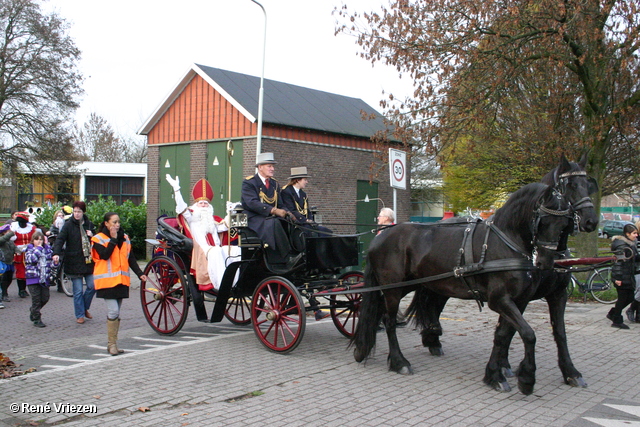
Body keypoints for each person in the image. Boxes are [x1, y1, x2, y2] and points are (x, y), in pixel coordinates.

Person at [165, 175, 240, 291]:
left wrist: (231, 212)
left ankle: (234, 281)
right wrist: (177, 189)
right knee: (216, 252)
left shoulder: (212, 219)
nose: (204, 206)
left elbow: (225, 227)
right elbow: (181, 207)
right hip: (201, 250)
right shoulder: (191, 217)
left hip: (215, 248)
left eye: (206, 203)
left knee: (234, 250)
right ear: (196, 205)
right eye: (201, 203)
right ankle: (219, 283)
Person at [91, 212, 147, 355]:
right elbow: (104, 255)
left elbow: (131, 258)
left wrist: (140, 274)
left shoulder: (125, 238)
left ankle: (113, 344)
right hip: (107, 282)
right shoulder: (98, 239)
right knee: (113, 311)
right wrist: (113, 240)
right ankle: (112, 345)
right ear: (106, 224)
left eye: (118, 222)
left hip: (121, 281)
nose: (117, 225)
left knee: (116, 313)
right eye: (114, 222)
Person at [241, 152, 297, 266]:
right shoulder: (249, 182)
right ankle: (286, 256)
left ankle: (298, 252)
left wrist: (289, 213)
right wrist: (273, 210)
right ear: (260, 167)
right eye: (269, 166)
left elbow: (280, 204)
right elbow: (252, 203)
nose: (272, 169)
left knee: (290, 222)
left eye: (273, 166)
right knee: (275, 223)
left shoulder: (274, 183)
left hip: (269, 217)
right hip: (254, 217)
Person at [52, 201, 96, 324]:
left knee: (92, 286)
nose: (77, 214)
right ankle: (80, 314)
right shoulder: (68, 225)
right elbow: (60, 239)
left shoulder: (89, 225)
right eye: (75, 211)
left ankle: (84, 307)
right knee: (77, 290)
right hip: (73, 260)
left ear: (83, 212)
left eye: (79, 212)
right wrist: (56, 253)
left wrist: (92, 235)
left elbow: (97, 240)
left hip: (87, 261)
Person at [281, 166, 332, 237]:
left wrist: (311, 221)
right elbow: (292, 210)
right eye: (305, 180)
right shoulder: (286, 192)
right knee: (311, 233)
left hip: (304, 223)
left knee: (326, 232)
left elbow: (307, 211)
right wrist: (306, 220)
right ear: (298, 180)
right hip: (295, 223)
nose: (306, 182)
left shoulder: (303, 194)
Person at [607, 223, 640, 329]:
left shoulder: (631, 244)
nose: (636, 235)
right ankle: (617, 320)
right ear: (627, 234)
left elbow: (635, 258)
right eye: (634, 233)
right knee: (623, 298)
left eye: (636, 233)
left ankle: (613, 313)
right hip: (622, 276)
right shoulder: (621, 245)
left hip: (628, 275)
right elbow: (619, 264)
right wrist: (617, 279)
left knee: (630, 297)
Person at [24, 231, 53, 327]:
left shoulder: (48, 250)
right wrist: (39, 249)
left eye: (41, 239)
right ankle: (36, 318)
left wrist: (55, 263)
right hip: (33, 277)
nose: (39, 241)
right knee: (36, 299)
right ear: (33, 240)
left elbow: (51, 264)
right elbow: (31, 260)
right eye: (37, 239)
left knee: (45, 298)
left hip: (44, 278)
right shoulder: (30, 249)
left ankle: (33, 310)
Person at [10, 212, 40, 298]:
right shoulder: (14, 228)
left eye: (22, 222)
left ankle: (29, 288)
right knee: (20, 272)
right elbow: (11, 240)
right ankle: (21, 290)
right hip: (19, 253)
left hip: (29, 252)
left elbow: (36, 238)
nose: (21, 224)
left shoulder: (32, 228)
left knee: (30, 271)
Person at [625, 220, 640, 323]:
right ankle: (632, 309)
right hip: (637, 269)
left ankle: (637, 314)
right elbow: (634, 256)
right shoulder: (635, 240)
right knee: (639, 292)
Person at [0, 223, 17, 307]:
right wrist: (11, 232)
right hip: (3, 263)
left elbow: (15, 248)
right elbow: (2, 240)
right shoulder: (1, 239)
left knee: (9, 279)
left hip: (10, 262)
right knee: (3, 279)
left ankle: (4, 291)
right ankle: (3, 294)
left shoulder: (10, 241)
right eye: (8, 231)